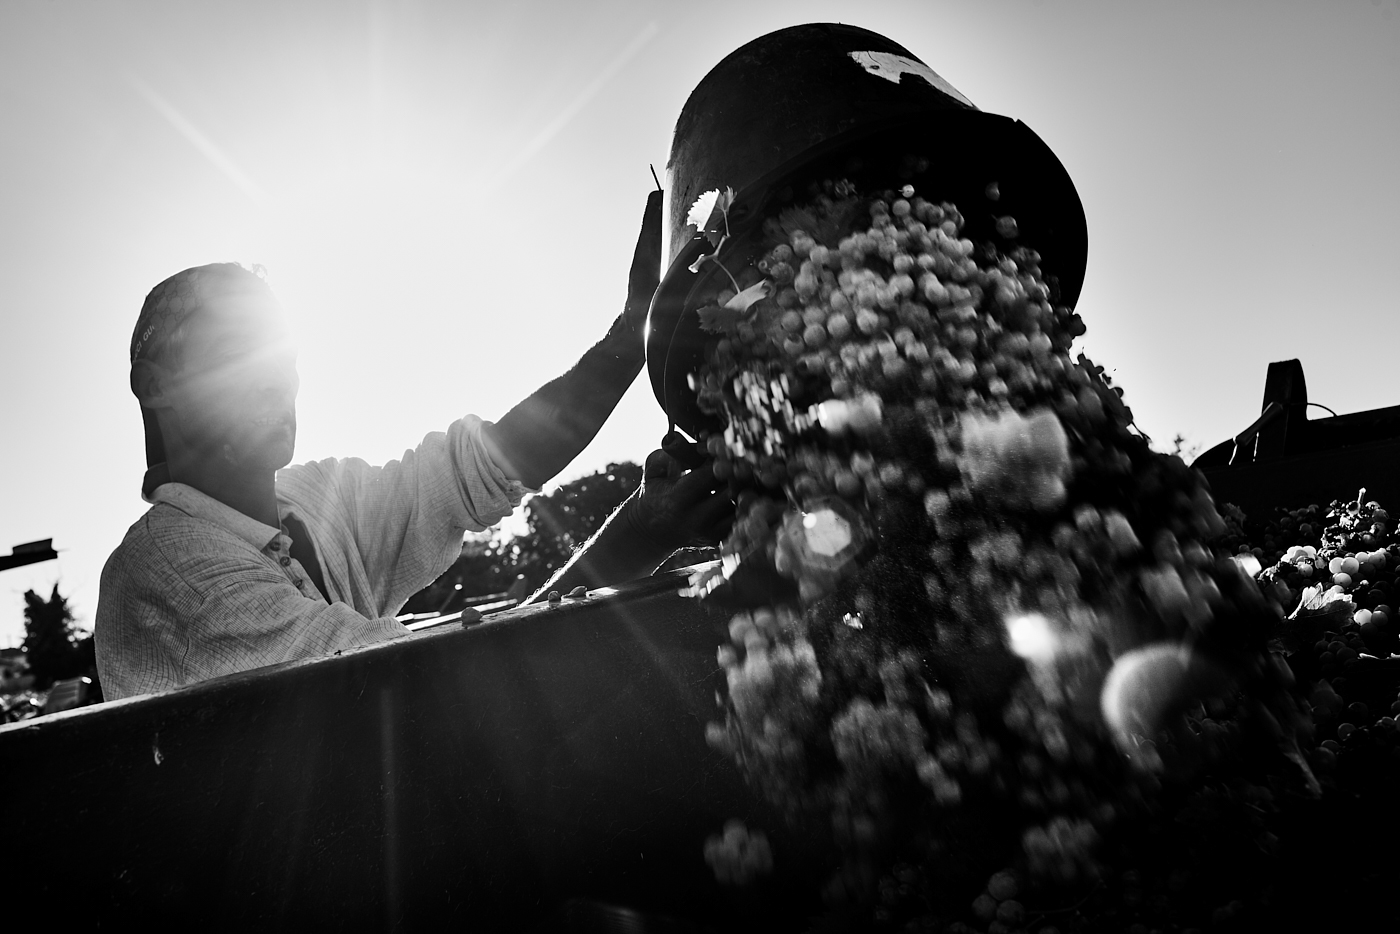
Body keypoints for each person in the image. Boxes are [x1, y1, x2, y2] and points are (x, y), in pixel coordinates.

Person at [96, 192, 732, 700]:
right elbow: (440, 687)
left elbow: (486, 465)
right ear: (157, 387)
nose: (275, 376)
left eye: (281, 351)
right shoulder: (167, 571)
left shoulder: (318, 502)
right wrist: (635, 540)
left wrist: (628, 339)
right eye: (237, 351)